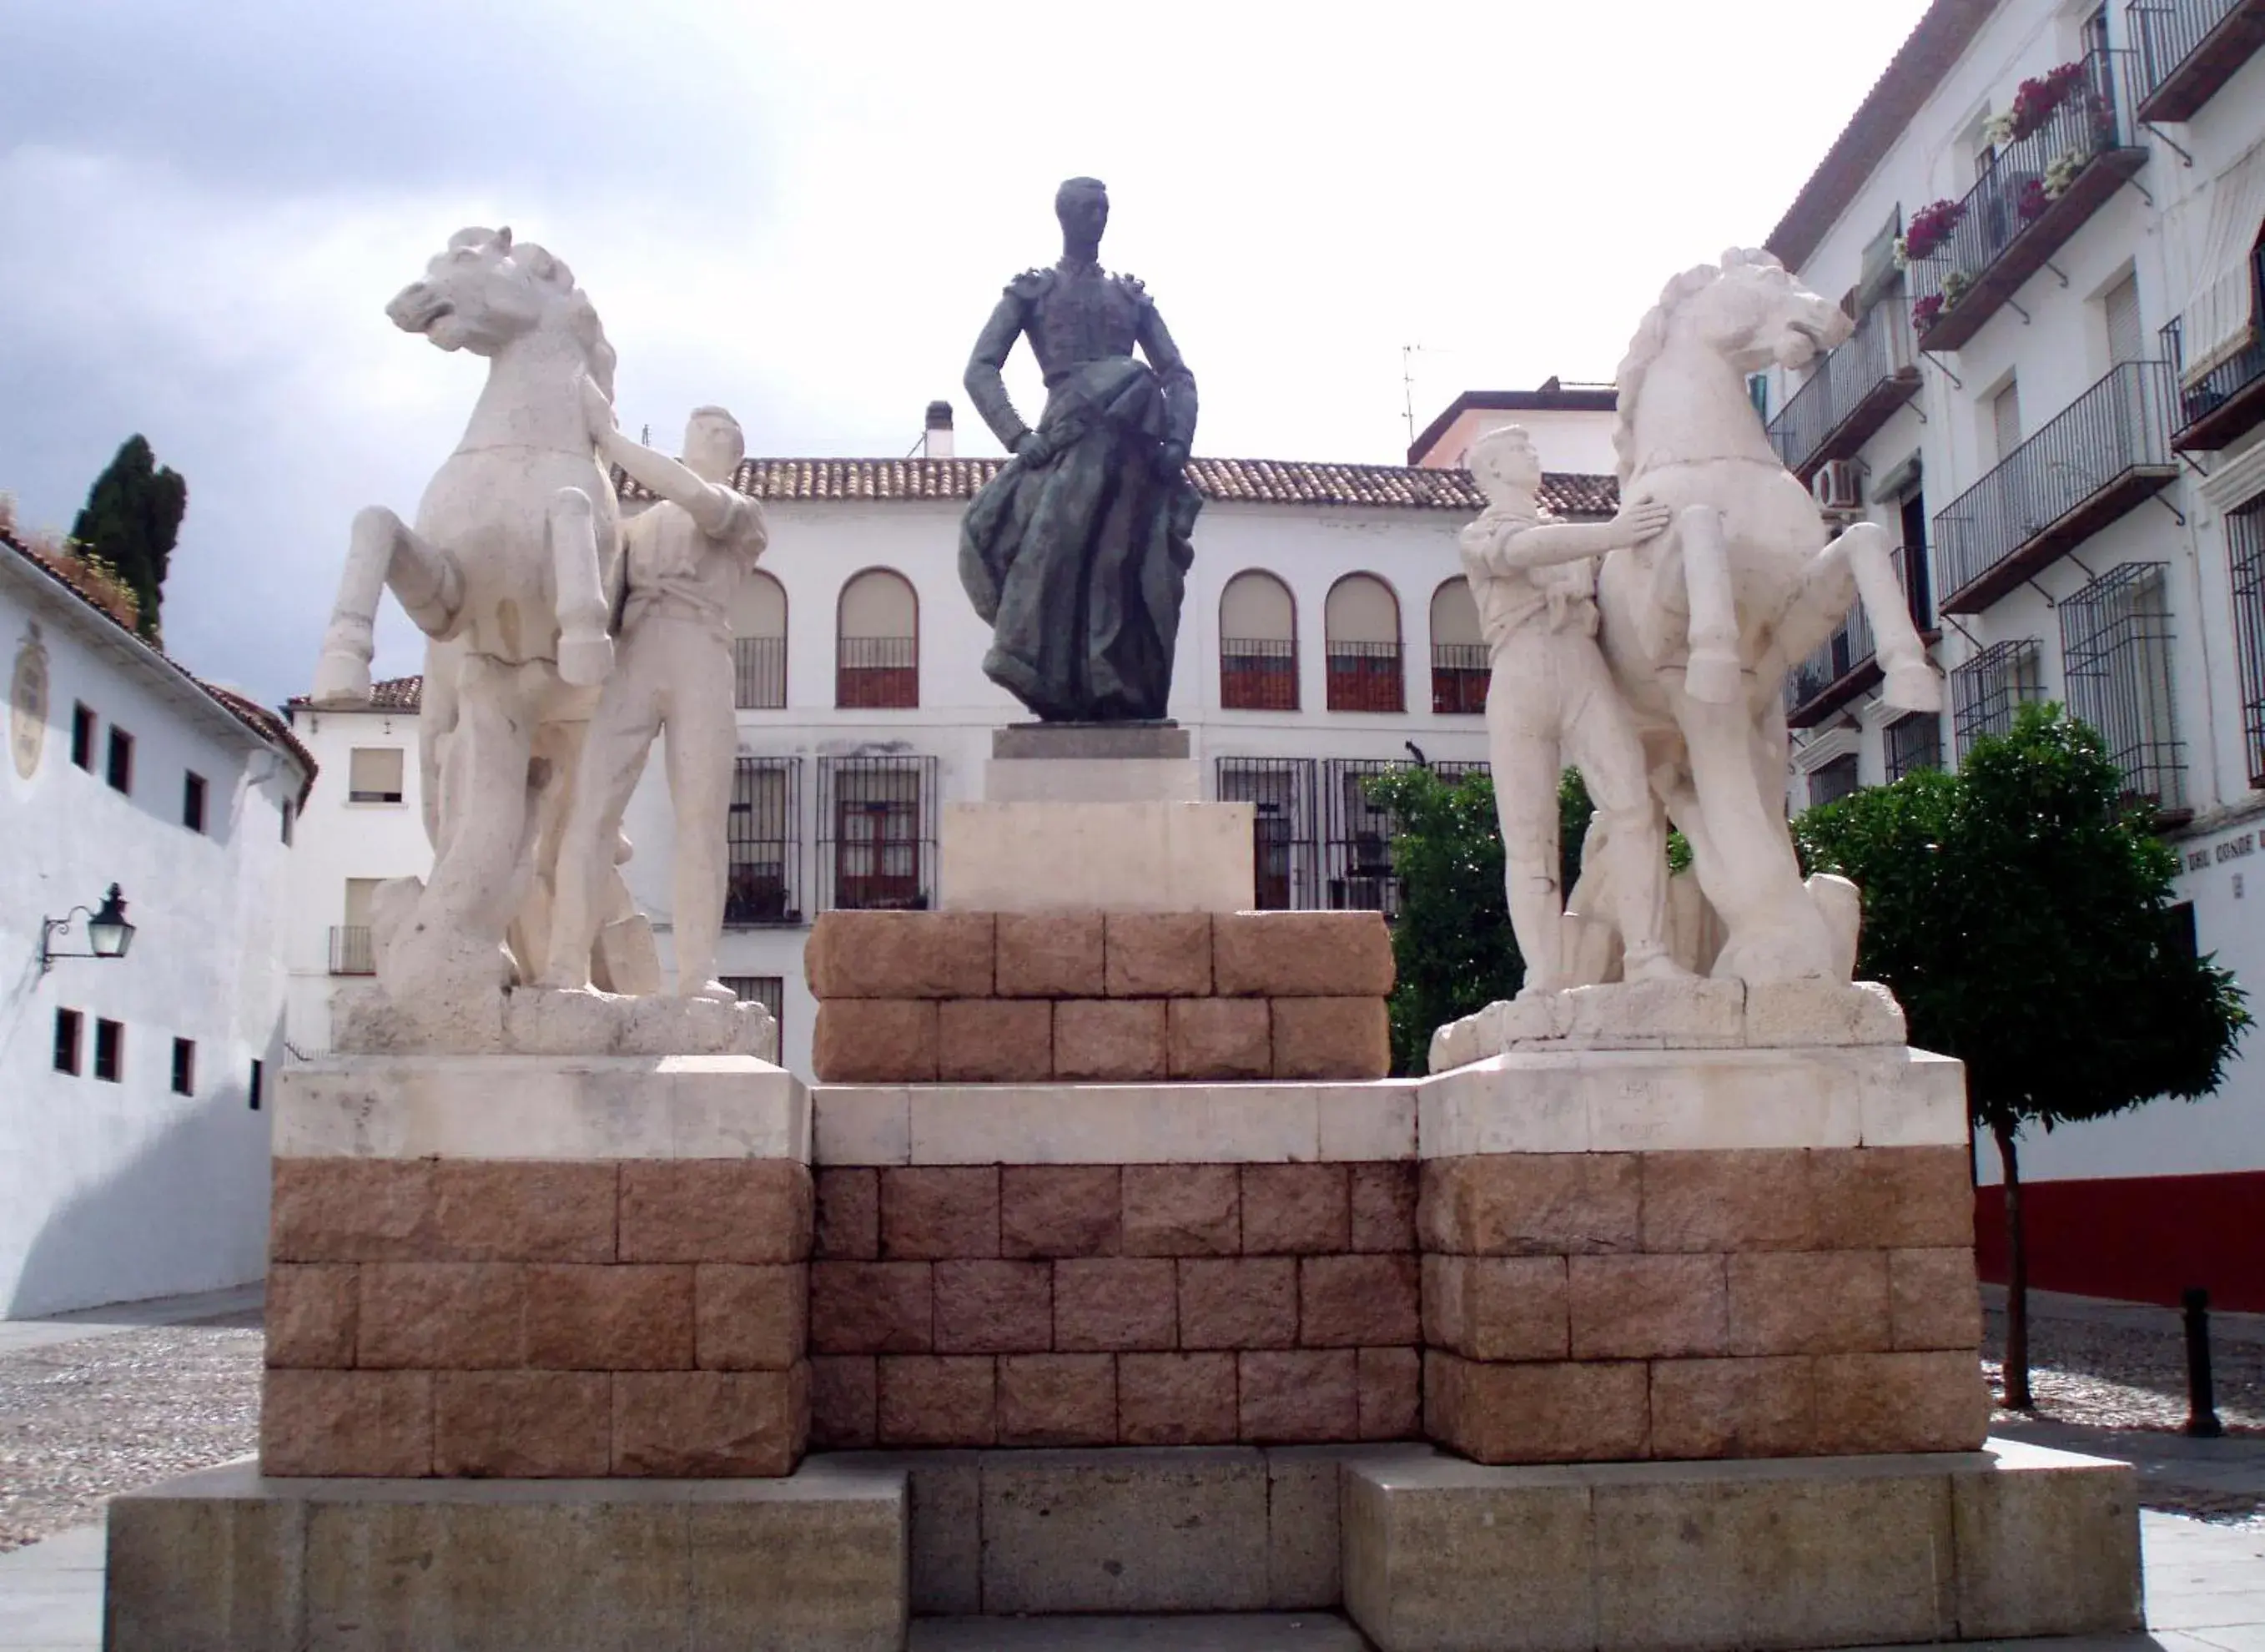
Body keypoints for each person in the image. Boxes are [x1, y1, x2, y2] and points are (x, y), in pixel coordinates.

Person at [543, 390, 768, 1000]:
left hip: (700, 649)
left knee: (700, 820)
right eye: (702, 429)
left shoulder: (741, 513)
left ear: (735, 457)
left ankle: (698, 973)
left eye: (722, 433)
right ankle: (566, 966)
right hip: (636, 651)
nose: (710, 437)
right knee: (591, 809)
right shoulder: (635, 527)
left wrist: (611, 444)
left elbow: (696, 497)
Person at [959, 177, 1200, 722]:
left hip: (1133, 445)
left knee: (1116, 565)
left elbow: (1176, 373)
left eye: (1104, 209)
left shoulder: (1130, 297)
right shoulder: (1034, 292)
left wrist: (1177, 442)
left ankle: (1111, 682)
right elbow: (979, 368)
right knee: (1049, 551)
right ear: (1063, 216)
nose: (1099, 217)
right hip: (1068, 439)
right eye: (1088, 208)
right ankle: (1048, 671)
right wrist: (1020, 438)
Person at [1460, 425, 1685, 994]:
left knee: (1633, 805)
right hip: (1520, 671)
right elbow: (1519, 553)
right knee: (1529, 838)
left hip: (1581, 664)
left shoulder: (1566, 533)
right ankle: (1544, 973)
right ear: (1489, 472)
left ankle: (1647, 955)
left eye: (1531, 445)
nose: (1532, 452)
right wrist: (1611, 532)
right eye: (1517, 449)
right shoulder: (1479, 533)